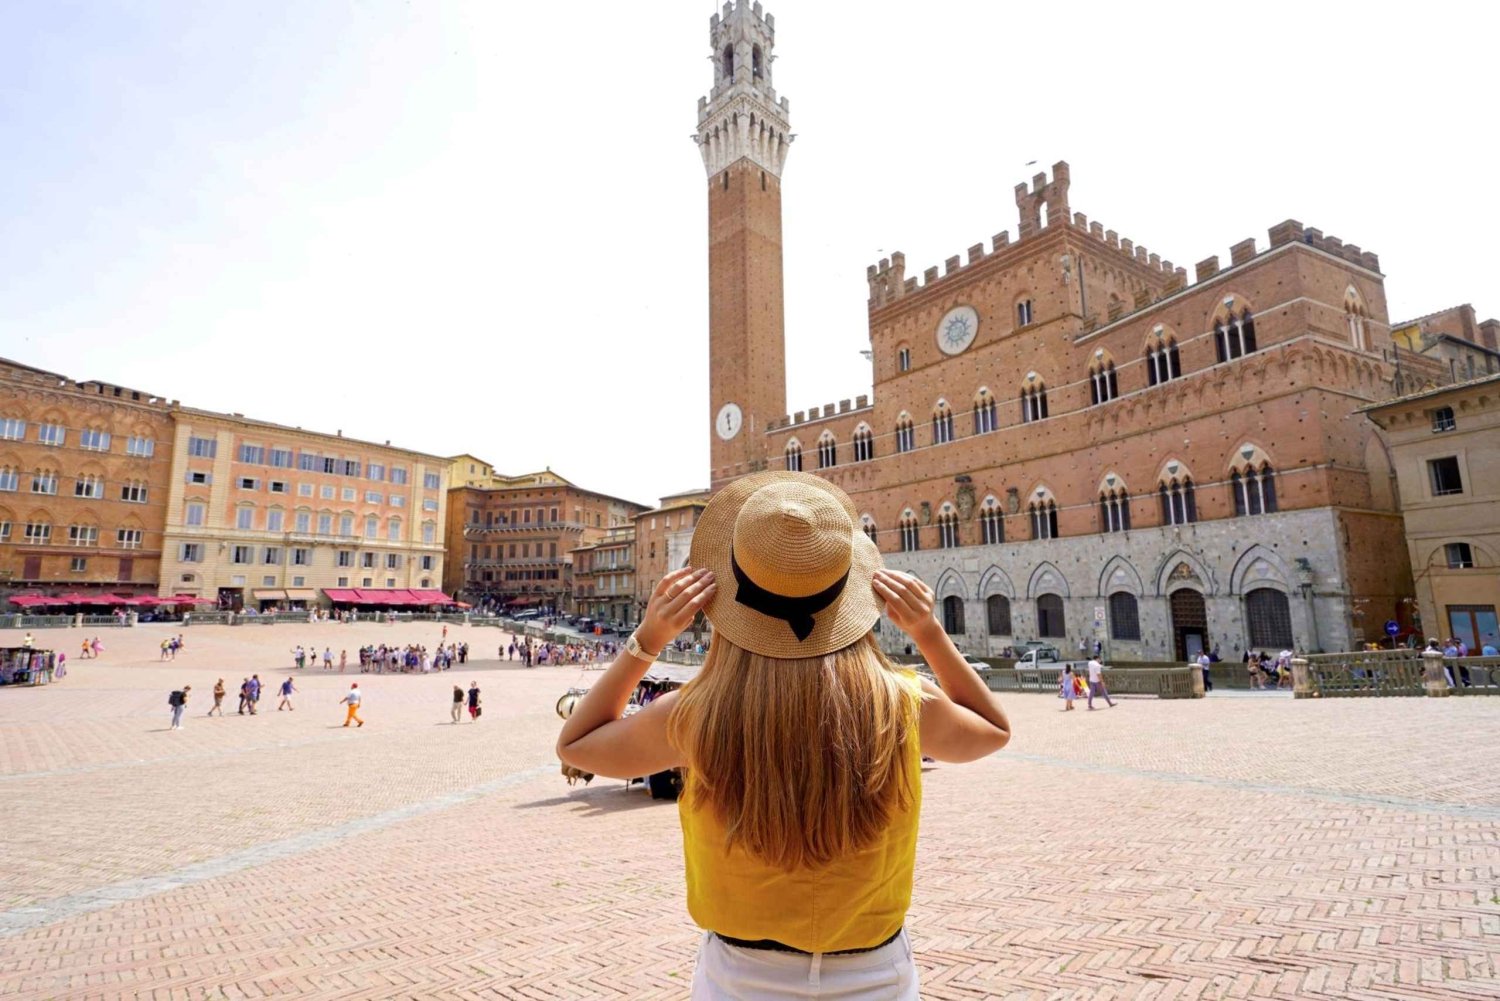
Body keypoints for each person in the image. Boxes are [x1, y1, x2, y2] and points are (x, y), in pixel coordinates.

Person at [557, 472, 1010, 998]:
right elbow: (994, 730)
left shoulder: (696, 714)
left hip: (740, 977)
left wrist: (648, 638)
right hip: (876, 975)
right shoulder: (902, 703)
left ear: (723, 601)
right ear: (852, 594)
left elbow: (576, 743)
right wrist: (929, 632)